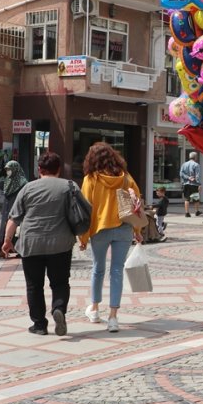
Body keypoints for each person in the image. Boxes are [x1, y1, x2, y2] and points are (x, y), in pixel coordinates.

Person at [1, 152, 77, 337]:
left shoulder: (28, 188)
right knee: (60, 282)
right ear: (59, 169)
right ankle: (58, 308)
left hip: (31, 243)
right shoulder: (69, 186)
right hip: (60, 243)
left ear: (39, 169)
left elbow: (14, 218)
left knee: (34, 285)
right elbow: (79, 213)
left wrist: (7, 240)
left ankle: (39, 324)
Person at [79, 142, 142, 333]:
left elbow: (85, 209)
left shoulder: (90, 179)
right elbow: (136, 203)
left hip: (100, 228)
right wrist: (137, 230)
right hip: (123, 228)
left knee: (98, 268)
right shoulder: (125, 178)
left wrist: (83, 238)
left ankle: (95, 309)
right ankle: (113, 317)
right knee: (117, 271)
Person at [0, 160, 28, 258]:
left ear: (15, 169)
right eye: (6, 169)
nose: (8, 171)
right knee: (4, 228)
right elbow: (4, 191)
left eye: (9, 169)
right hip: (7, 206)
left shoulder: (23, 181)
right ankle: (2, 250)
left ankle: (19, 251)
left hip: (18, 207)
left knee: (18, 230)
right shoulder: (7, 180)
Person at [180, 151, 202, 218]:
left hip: (186, 184)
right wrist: (199, 184)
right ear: (195, 157)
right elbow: (197, 176)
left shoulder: (184, 164)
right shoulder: (196, 165)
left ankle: (187, 213)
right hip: (194, 184)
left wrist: (188, 177)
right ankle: (197, 211)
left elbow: (181, 174)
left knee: (187, 199)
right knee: (196, 198)